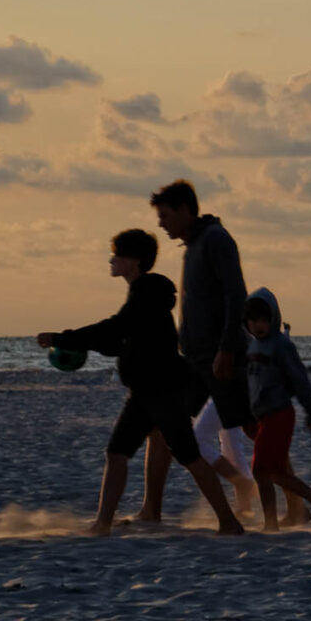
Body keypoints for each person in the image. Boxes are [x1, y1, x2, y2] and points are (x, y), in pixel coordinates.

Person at [37, 227, 244, 536]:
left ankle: (229, 522)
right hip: (144, 392)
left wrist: (62, 337)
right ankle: (102, 523)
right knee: (117, 453)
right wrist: (81, 344)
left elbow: (115, 327)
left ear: (132, 261)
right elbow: (121, 341)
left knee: (189, 456)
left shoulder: (146, 293)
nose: (111, 262)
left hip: (163, 391)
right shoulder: (142, 294)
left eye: (116, 256)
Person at [146, 181, 253, 523]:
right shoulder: (193, 245)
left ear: (183, 209)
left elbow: (237, 296)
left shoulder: (215, 240)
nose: (161, 223)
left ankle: (297, 503)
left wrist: (226, 349)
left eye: (164, 215)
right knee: (162, 426)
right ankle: (152, 509)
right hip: (194, 361)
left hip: (220, 359)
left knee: (254, 429)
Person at [242, 291, 311, 530]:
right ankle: (289, 515)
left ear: (273, 318)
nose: (259, 325)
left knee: (264, 470)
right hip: (263, 417)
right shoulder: (254, 345)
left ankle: (309, 506)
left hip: (280, 415)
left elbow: (300, 381)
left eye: (264, 319)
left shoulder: (282, 345)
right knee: (268, 471)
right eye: (253, 320)